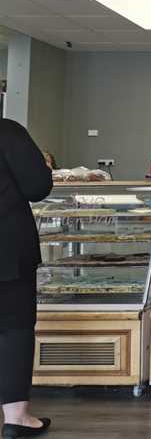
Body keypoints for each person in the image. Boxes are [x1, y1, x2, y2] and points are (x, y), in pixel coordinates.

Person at [0, 119, 53, 438]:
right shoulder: (7, 132)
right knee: (13, 328)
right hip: (6, 248)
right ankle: (16, 417)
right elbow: (37, 187)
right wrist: (44, 166)